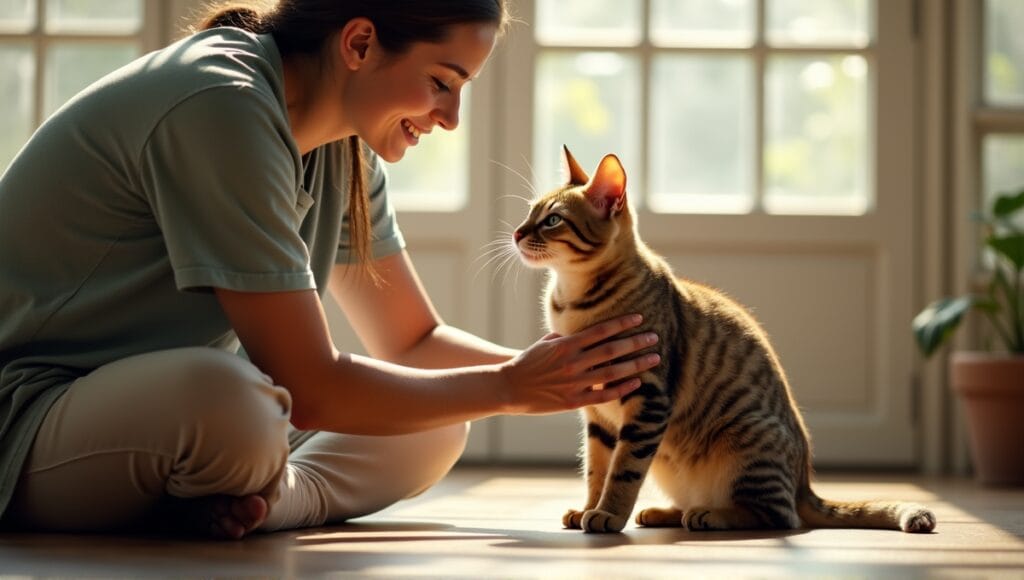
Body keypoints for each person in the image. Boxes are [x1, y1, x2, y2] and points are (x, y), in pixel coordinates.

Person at [0, 0, 661, 540]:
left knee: (437, 413)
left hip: (150, 414)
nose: (452, 119)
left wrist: (571, 372)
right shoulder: (221, 104)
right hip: (30, 416)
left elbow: (412, 342)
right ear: (360, 43)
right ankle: (230, 487)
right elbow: (309, 385)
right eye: (441, 82)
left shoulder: (346, 146)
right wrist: (513, 387)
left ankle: (264, 505)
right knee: (230, 402)